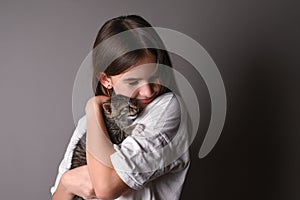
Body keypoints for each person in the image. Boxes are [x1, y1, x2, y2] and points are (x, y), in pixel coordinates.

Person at [51, 15, 190, 200]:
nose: (148, 92)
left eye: (155, 76)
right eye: (133, 82)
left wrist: (93, 108)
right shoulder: (88, 123)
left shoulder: (165, 109)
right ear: (106, 80)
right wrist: (67, 182)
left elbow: (105, 188)